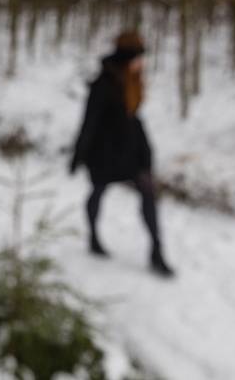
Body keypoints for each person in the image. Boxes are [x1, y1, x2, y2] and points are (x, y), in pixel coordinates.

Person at [70, 31, 175, 278]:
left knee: (148, 194)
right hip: (105, 152)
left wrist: (146, 150)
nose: (142, 62)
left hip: (132, 150)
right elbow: (89, 122)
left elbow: (133, 116)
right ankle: (93, 236)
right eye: (138, 57)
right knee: (97, 192)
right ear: (127, 57)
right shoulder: (103, 85)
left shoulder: (133, 79)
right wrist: (78, 155)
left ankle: (156, 250)